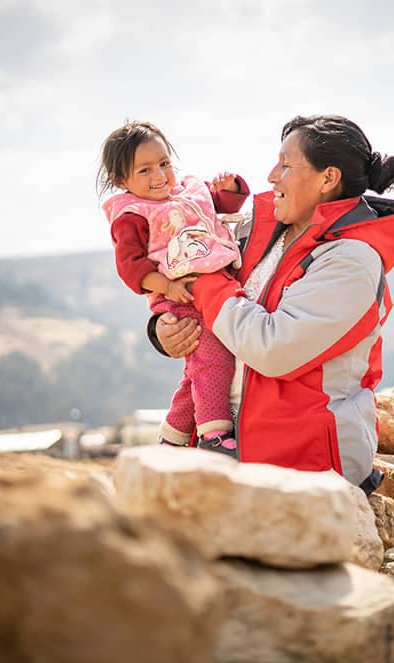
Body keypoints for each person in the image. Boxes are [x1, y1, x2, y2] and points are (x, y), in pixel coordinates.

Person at [150, 114, 394, 489]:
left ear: (328, 178)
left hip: (303, 468)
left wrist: (205, 280)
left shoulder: (352, 261)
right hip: (228, 451)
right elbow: (188, 292)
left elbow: (273, 349)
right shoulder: (255, 231)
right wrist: (163, 330)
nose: (272, 175)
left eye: (286, 164)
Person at [98, 120, 249, 455]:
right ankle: (213, 434)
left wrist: (232, 186)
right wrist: (166, 285)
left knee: (198, 369)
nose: (160, 176)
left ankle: (174, 436)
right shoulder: (133, 215)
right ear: (121, 181)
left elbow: (221, 204)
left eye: (164, 163)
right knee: (213, 359)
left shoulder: (189, 192)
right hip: (177, 296)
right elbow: (130, 266)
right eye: (145, 170)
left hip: (209, 290)